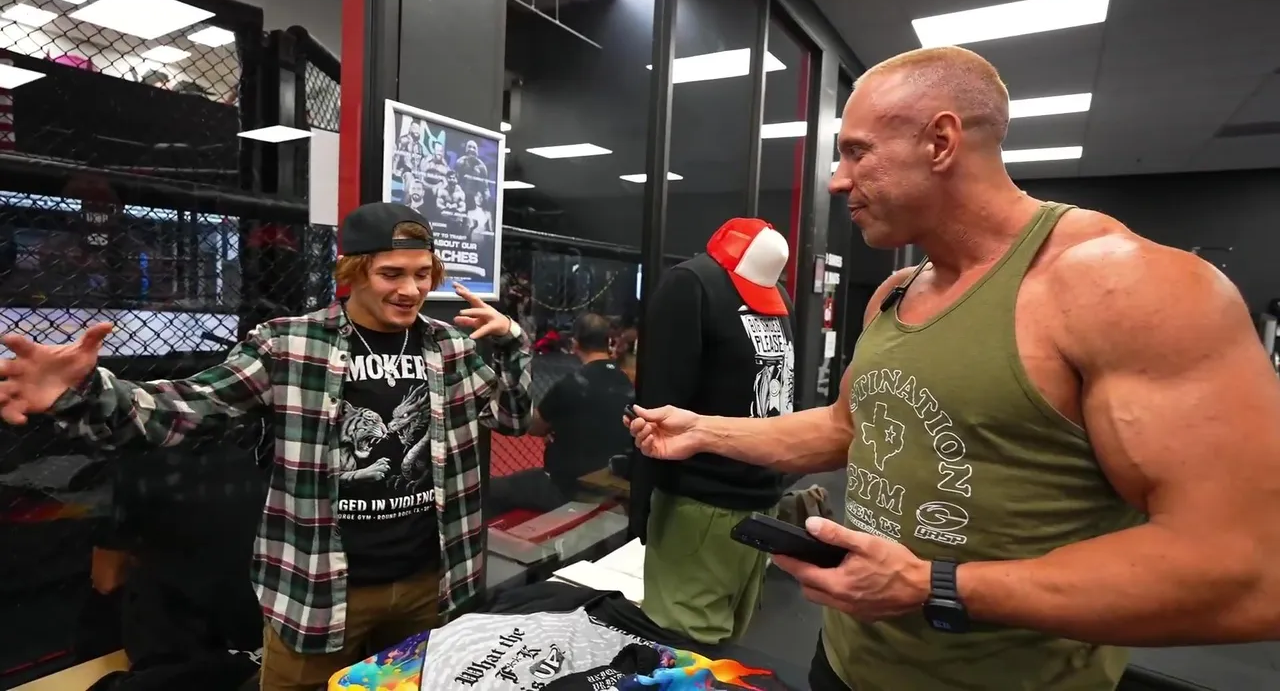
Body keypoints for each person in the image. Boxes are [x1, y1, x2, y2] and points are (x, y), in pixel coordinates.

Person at [624, 46, 1280, 691]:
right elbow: (845, 427)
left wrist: (935, 586)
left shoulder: (1127, 287)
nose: (837, 181)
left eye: (857, 153)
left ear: (940, 142)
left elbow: (1249, 570)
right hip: (846, 662)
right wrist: (703, 430)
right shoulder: (899, 290)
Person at [0, 201, 533, 691]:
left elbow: (511, 419)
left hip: (431, 579)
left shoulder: (450, 347)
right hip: (321, 589)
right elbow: (189, 406)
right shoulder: (290, 344)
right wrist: (87, 392)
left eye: (421, 274)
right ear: (352, 273)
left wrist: (512, 343)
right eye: (391, 274)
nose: (411, 290)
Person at [488, 313, 634, 518]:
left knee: (492, 489)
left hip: (570, 489)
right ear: (607, 342)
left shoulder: (572, 383)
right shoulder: (626, 380)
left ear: (575, 344)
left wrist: (554, 424)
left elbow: (533, 426)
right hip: (613, 482)